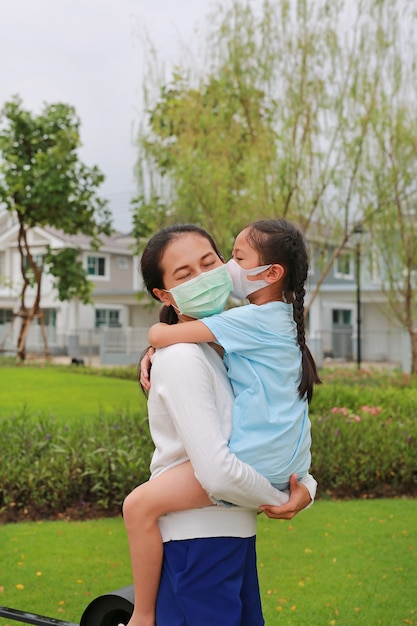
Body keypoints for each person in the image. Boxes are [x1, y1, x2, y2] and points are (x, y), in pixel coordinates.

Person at [121, 223, 317, 626]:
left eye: (210, 262)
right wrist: (278, 497)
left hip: (230, 538)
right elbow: (218, 472)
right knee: (136, 506)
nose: (207, 277)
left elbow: (274, 428)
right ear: (164, 294)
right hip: (199, 543)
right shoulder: (185, 357)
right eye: (184, 274)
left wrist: (306, 488)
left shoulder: (232, 347)